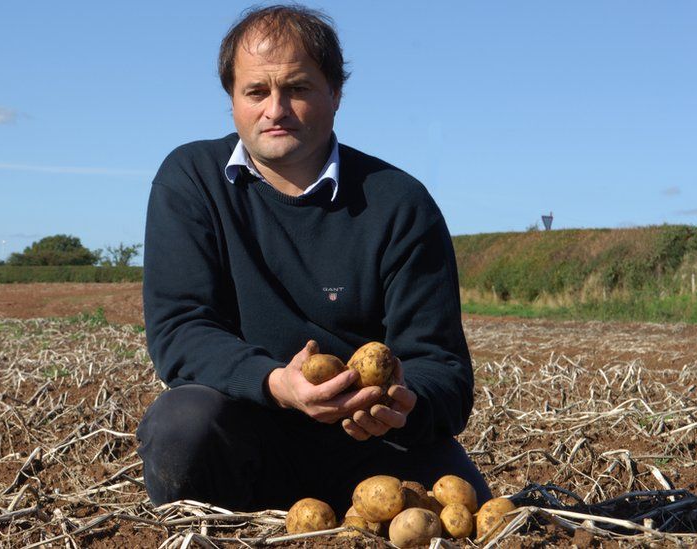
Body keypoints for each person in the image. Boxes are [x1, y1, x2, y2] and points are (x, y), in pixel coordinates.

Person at [137, 5, 491, 515]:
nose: (275, 109)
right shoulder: (191, 180)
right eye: (256, 91)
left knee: (480, 521)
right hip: (248, 440)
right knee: (184, 423)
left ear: (335, 94)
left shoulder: (398, 203)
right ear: (232, 99)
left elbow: (444, 369)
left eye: (298, 88)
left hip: (376, 451)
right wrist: (277, 383)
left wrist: (402, 403)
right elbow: (181, 329)